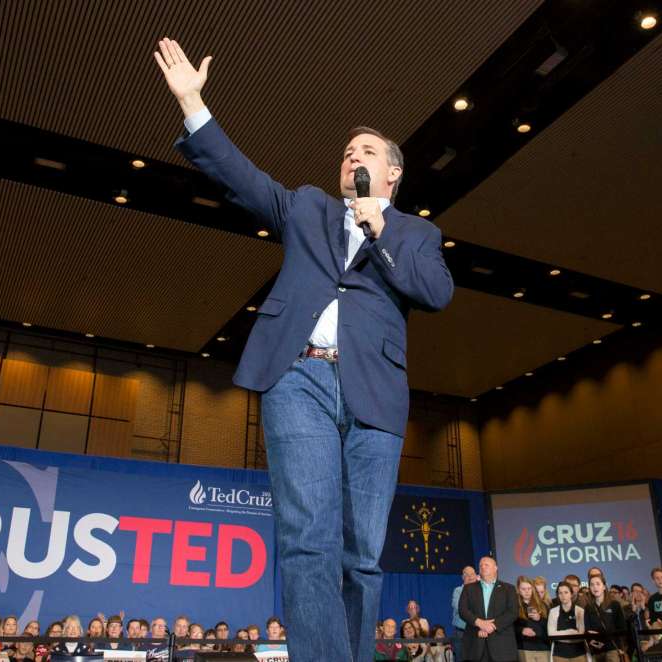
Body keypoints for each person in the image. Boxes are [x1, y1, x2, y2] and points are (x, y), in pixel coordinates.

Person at [155, 34, 452, 662]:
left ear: (393, 173)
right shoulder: (309, 208)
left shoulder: (417, 234)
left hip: (375, 394)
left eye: (365, 151)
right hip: (299, 381)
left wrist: (380, 232)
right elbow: (244, 180)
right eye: (346, 152)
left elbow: (435, 294)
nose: (352, 157)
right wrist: (193, 107)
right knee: (307, 538)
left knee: (361, 553)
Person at [458, 556, 518, 662]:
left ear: (495, 568)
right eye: (481, 565)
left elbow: (512, 612)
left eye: (486, 565)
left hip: (502, 647)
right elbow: (463, 610)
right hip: (475, 645)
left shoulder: (509, 589)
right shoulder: (468, 588)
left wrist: (492, 626)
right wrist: (479, 623)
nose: (483, 567)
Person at [584, 574, 626, 662]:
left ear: (604, 586)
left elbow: (622, 628)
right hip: (596, 651)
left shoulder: (614, 605)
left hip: (612, 649)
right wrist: (594, 642)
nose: (595, 587)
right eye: (592, 584)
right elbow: (588, 631)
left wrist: (620, 647)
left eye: (598, 584)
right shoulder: (588, 608)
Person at [548, 582, 587, 662]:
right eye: (560, 593)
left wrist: (559, 635)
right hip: (559, 655)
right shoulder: (553, 612)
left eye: (566, 592)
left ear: (571, 594)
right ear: (558, 595)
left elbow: (581, 635)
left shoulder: (580, 611)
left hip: (579, 654)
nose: (563, 596)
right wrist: (571, 632)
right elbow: (551, 634)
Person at [515, 576, 549, 662]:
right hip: (524, 649)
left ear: (533, 589)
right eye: (523, 589)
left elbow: (550, 627)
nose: (527, 591)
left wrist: (539, 619)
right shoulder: (514, 606)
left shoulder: (543, 605)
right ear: (518, 590)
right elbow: (510, 626)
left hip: (543, 648)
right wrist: (521, 630)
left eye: (529, 588)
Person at [453, 567, 478, 637]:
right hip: (461, 632)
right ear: (463, 577)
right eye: (467, 575)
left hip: (477, 631)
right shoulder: (458, 591)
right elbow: (459, 607)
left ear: (476, 576)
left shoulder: (480, 591)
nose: (470, 577)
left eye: (472, 574)